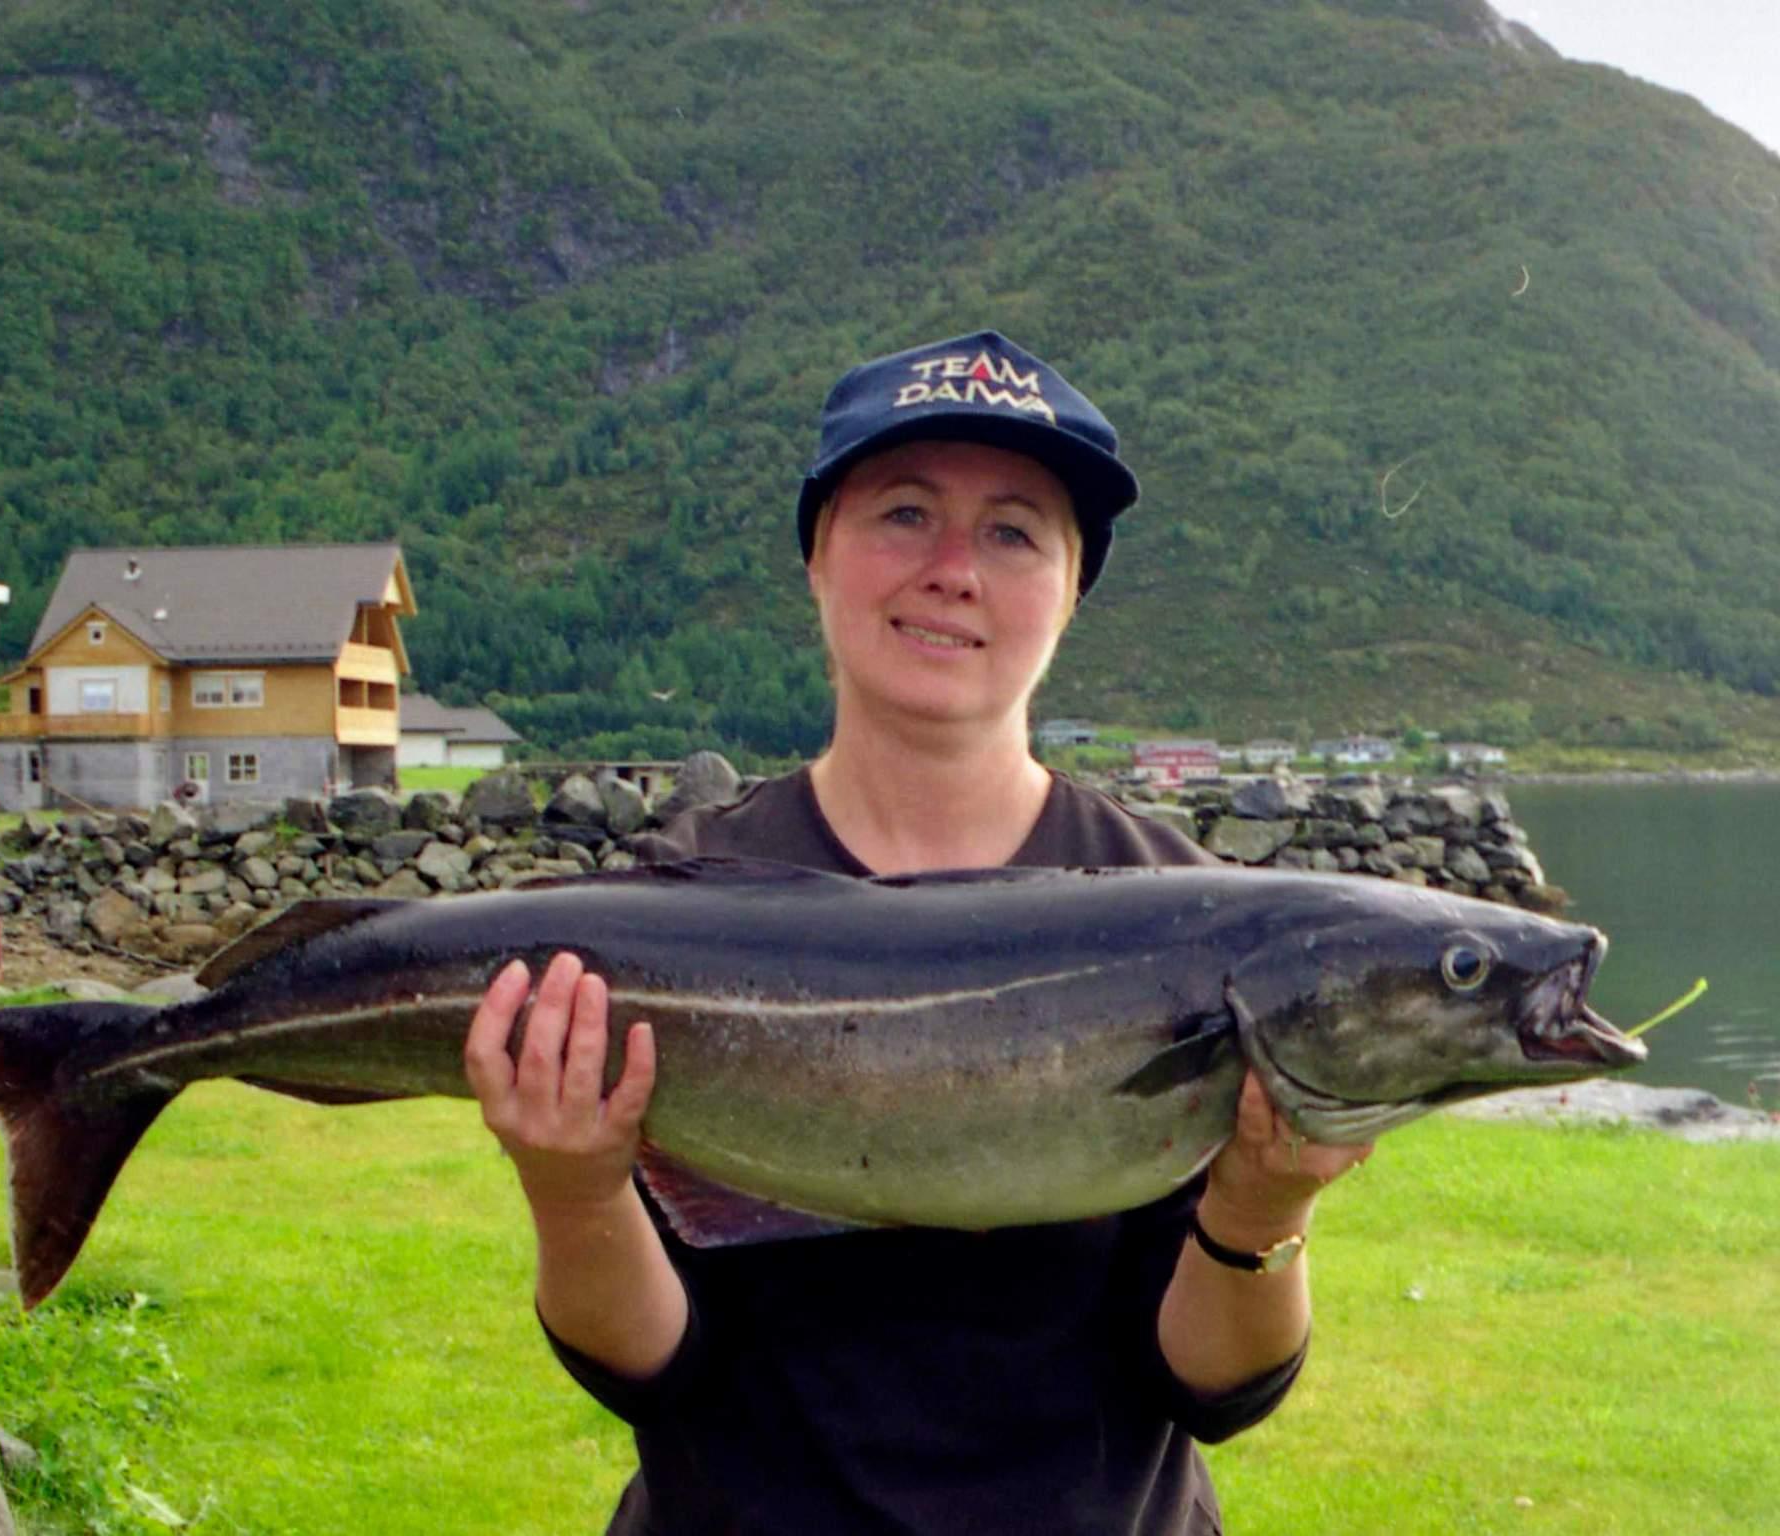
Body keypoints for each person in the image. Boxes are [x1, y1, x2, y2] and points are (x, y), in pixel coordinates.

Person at [463, 330, 1371, 1535]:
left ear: (1071, 590)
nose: (953, 570)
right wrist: (572, 1191)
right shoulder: (676, 910)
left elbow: (1207, 1388)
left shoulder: (1187, 917)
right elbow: (653, 1368)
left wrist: (1258, 1219)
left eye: (1012, 532)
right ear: (816, 555)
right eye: (903, 513)